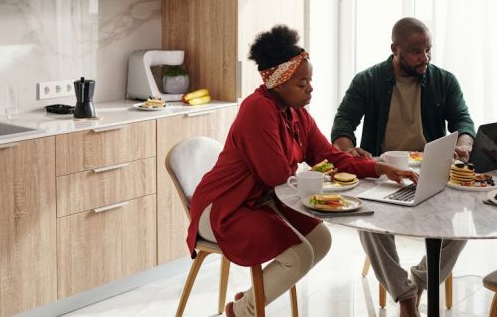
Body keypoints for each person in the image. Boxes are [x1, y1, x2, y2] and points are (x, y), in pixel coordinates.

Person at [186, 25, 418, 317]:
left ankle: (249, 299)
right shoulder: (256, 109)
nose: (310, 88)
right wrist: (318, 171)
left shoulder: (297, 114)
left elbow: (330, 157)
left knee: (320, 240)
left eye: (310, 80)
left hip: (259, 202)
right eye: (302, 82)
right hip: (223, 206)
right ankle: (241, 312)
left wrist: (378, 168)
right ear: (278, 83)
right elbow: (276, 176)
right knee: (298, 254)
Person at [331, 17, 476, 317]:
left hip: (431, 173)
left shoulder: (444, 81)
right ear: (394, 49)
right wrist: (349, 153)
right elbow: (343, 122)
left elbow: (464, 120)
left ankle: (420, 281)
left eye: (428, 50)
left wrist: (463, 144)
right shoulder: (367, 80)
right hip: (384, 172)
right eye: (415, 51)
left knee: (462, 228)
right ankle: (405, 296)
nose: (425, 57)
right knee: (365, 220)